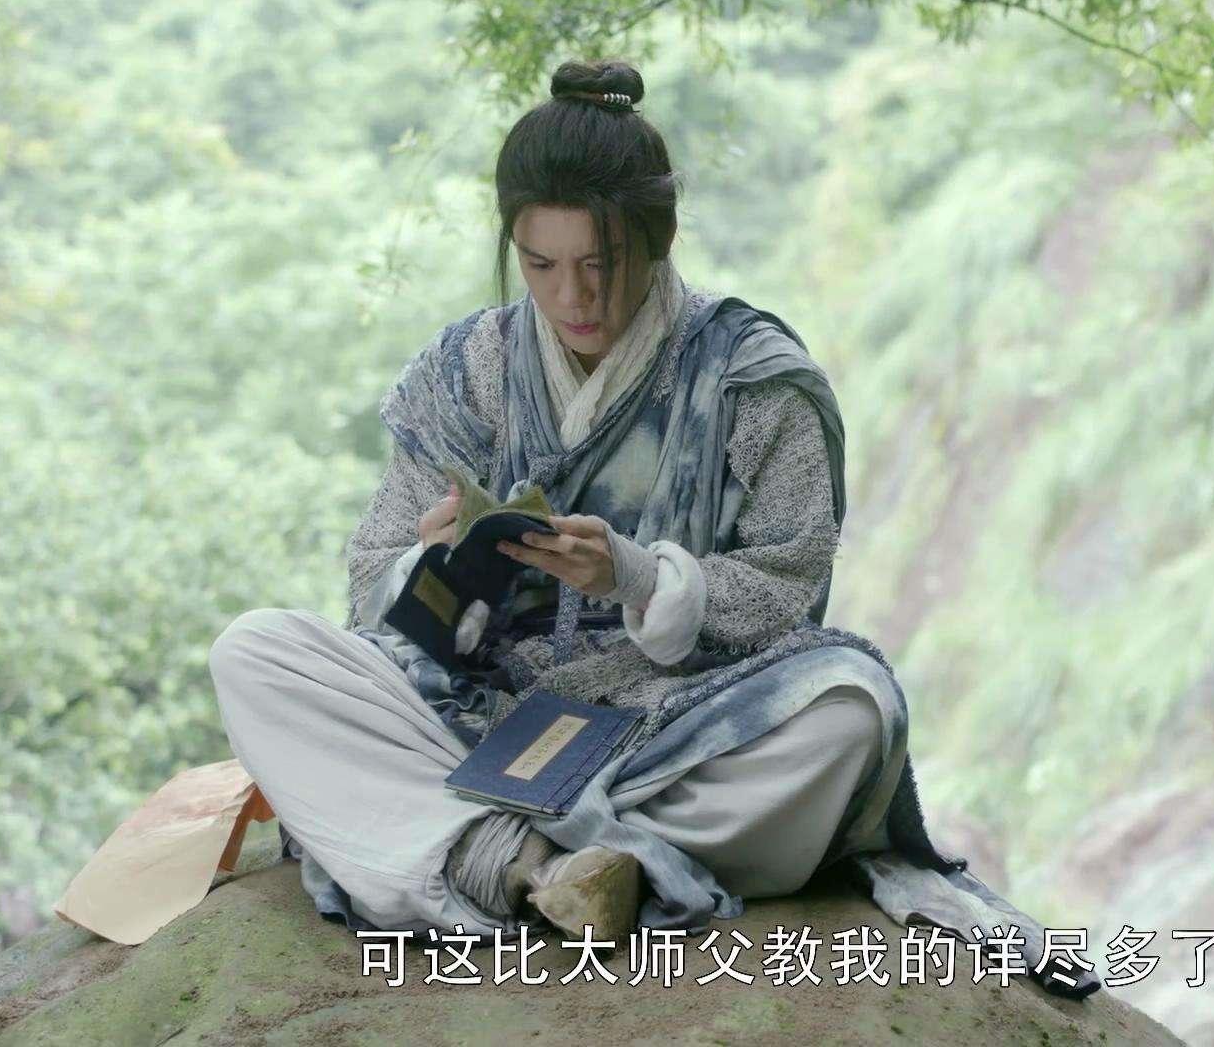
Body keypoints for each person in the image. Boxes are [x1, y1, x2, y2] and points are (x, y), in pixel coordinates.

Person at [207, 58, 1098, 998]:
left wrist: (634, 577)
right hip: (479, 718)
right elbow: (371, 581)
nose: (573, 298)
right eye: (541, 265)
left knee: (852, 706)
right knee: (257, 654)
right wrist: (435, 565)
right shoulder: (467, 371)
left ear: (657, 239)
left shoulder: (754, 378)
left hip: (672, 730)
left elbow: (790, 586)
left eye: (601, 263)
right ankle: (530, 863)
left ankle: (500, 847)